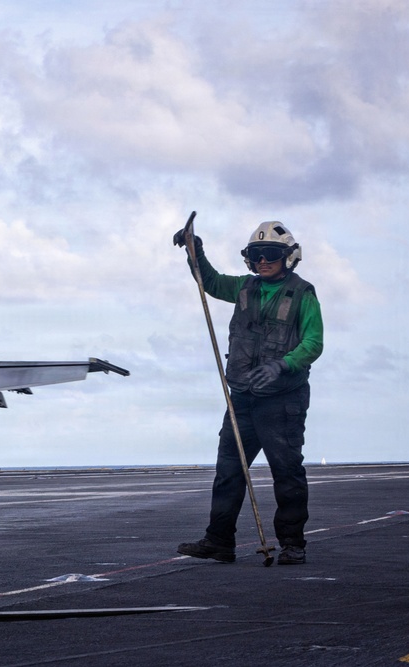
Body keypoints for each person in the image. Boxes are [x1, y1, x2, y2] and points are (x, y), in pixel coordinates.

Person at [173, 221, 323, 565]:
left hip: (282, 400)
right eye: (256, 255)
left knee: (286, 472)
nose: (263, 261)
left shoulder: (303, 293)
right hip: (241, 397)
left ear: (289, 256)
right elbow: (210, 282)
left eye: (270, 253)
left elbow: (314, 342)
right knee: (228, 471)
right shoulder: (244, 287)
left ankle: (292, 544)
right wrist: (195, 250)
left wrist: (283, 365)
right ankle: (219, 541)